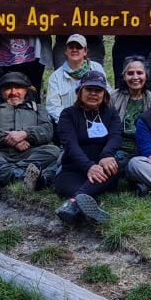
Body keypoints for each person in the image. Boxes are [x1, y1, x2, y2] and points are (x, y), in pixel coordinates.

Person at [0, 72, 62, 193]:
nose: (13, 92)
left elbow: (47, 131)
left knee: (54, 151)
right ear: (1, 91)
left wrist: (25, 134)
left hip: (30, 154)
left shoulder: (38, 108)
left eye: (18, 88)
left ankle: (5, 175)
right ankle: (25, 177)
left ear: (26, 91)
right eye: (8, 88)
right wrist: (12, 140)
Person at [54, 71, 124, 225]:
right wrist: (89, 167)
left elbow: (116, 136)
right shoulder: (68, 114)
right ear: (80, 92)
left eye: (98, 90)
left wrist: (106, 155)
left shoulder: (111, 113)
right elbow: (70, 145)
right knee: (78, 188)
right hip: (72, 170)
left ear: (105, 95)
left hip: (103, 168)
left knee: (112, 169)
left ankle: (73, 204)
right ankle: (83, 202)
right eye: (89, 89)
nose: (93, 93)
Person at [44, 34, 106, 122]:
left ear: (85, 51)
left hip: (95, 120)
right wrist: (70, 121)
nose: (74, 50)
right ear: (66, 51)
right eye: (71, 47)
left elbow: (107, 94)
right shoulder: (56, 76)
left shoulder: (97, 68)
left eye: (79, 47)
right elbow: (53, 106)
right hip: (68, 122)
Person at [111, 56, 151, 160]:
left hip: (143, 153)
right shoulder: (113, 97)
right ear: (124, 76)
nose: (135, 77)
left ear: (146, 76)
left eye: (139, 73)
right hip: (116, 151)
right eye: (130, 73)